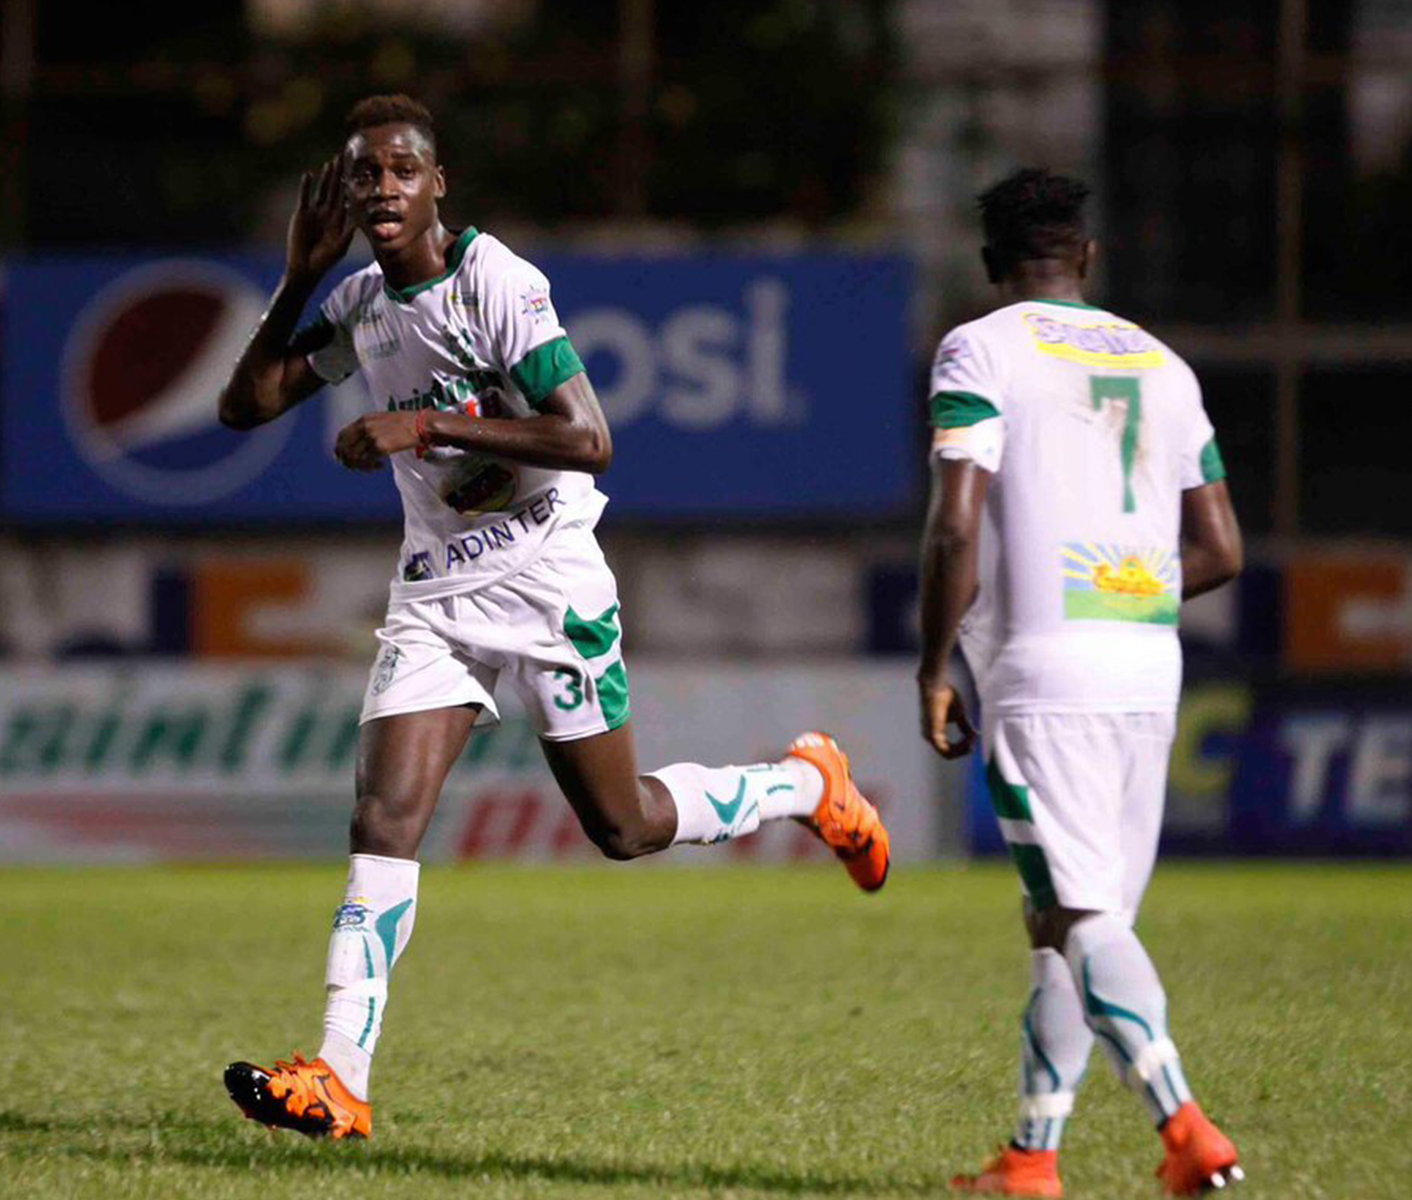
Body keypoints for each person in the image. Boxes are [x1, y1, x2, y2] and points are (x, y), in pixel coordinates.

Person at [213, 93, 890, 1141]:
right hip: (436, 591)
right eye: (362, 175)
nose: (381, 188)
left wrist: (421, 423)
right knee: (383, 820)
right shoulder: (354, 304)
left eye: (400, 169)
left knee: (622, 827)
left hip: (547, 578)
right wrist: (299, 274)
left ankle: (807, 785)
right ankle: (339, 1076)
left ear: (439, 183)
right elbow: (245, 406)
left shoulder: (496, 282)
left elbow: (589, 440)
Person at [916, 168, 1245, 1198]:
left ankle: (1184, 1124)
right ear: (1087, 259)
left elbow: (956, 520)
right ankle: (1033, 1157)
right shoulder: (1166, 364)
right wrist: (1136, 582)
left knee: (1076, 917)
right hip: (1147, 662)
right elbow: (1224, 549)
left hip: (1043, 666)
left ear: (989, 267)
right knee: (1068, 916)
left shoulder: (980, 346)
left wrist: (934, 662)